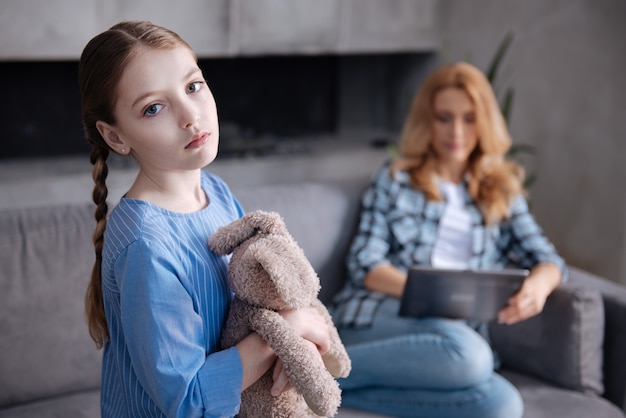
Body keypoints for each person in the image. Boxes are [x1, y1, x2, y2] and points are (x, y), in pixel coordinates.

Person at [80, 21, 330, 418]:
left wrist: (290, 343)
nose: (190, 116)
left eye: (193, 86)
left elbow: (251, 300)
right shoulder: (146, 245)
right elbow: (189, 400)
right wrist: (284, 333)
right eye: (153, 108)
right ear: (115, 137)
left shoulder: (215, 192)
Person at [331, 61, 567, 418]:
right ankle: (311, 368)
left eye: (469, 118)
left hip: (449, 336)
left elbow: (549, 261)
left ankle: (327, 388)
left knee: (504, 406)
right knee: (471, 356)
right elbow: (365, 264)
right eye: (444, 117)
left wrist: (539, 286)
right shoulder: (396, 180)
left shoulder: (501, 192)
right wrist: (434, 293)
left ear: (484, 122)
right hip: (380, 314)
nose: (456, 131)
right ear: (428, 121)